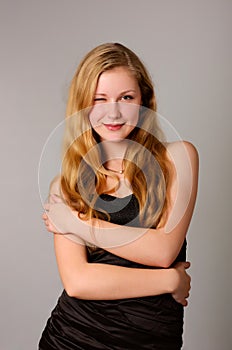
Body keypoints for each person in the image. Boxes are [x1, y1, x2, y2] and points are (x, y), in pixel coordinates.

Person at [39, 42, 198, 350]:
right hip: (73, 338)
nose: (113, 112)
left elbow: (163, 251)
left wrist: (77, 225)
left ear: (144, 101)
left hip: (153, 340)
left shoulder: (178, 159)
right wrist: (168, 281)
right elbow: (78, 282)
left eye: (126, 97)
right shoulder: (67, 185)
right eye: (100, 99)